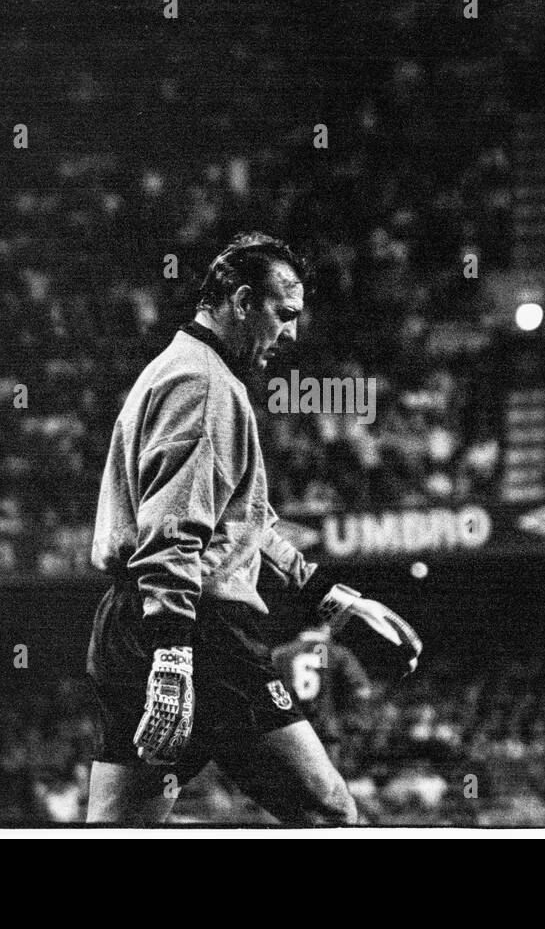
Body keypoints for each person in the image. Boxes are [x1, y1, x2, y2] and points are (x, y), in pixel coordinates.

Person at [84, 232, 420, 825]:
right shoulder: (204, 383)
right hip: (198, 629)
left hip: (137, 622)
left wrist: (328, 596)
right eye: (283, 314)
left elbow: (242, 529)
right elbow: (173, 531)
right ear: (242, 302)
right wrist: (173, 655)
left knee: (118, 831)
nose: (290, 333)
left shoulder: (182, 367)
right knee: (329, 814)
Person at [272, 623, 372, 774]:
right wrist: (352, 720)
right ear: (326, 627)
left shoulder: (281, 653)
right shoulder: (337, 653)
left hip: (290, 728)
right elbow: (362, 690)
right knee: (326, 784)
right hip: (325, 729)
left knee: (291, 782)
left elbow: (266, 689)